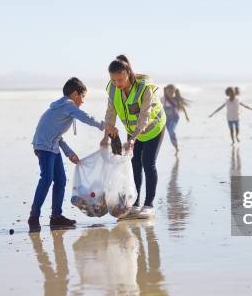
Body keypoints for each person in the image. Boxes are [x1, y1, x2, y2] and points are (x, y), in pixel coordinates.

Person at [28, 77, 110, 231]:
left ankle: (56, 217)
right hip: (44, 146)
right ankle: (34, 216)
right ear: (75, 94)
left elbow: (57, 136)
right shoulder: (68, 105)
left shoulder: (62, 107)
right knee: (46, 179)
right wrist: (104, 126)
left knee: (61, 179)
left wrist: (69, 153)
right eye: (83, 96)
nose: (83, 101)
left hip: (51, 146)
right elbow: (86, 118)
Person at [101, 55, 166, 220]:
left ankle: (149, 205)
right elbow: (110, 113)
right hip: (133, 130)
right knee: (134, 164)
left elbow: (145, 116)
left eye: (120, 79)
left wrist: (133, 138)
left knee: (148, 163)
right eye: (114, 80)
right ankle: (135, 203)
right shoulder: (113, 89)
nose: (117, 84)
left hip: (153, 128)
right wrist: (106, 137)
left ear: (128, 74)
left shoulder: (145, 88)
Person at [161, 84, 190, 153]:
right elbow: (157, 107)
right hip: (166, 119)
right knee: (171, 134)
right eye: (169, 91)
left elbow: (182, 107)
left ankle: (176, 148)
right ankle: (176, 148)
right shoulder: (163, 99)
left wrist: (186, 116)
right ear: (166, 91)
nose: (170, 93)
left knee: (171, 131)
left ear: (174, 92)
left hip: (174, 118)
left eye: (172, 92)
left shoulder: (176, 100)